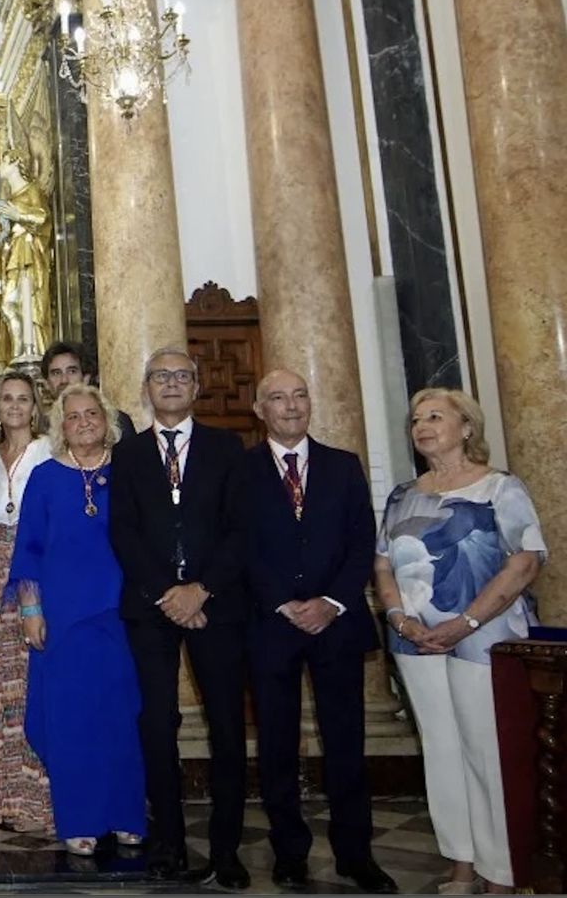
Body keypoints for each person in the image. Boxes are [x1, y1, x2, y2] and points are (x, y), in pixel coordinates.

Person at [375, 388, 544, 895]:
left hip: (484, 639)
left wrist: (466, 621)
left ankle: (502, 871)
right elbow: (383, 564)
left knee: (486, 750)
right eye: (415, 420)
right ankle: (462, 863)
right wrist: (400, 618)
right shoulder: (404, 494)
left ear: (467, 427)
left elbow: (526, 561)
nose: (422, 427)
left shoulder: (500, 488)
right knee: (442, 751)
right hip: (414, 640)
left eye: (435, 417)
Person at [243, 369, 397, 893]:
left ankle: (356, 854)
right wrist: (284, 602)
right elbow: (238, 545)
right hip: (272, 626)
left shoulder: (343, 465)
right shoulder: (239, 471)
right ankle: (290, 853)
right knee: (278, 746)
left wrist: (332, 602)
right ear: (259, 409)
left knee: (346, 743)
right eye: (278, 398)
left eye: (299, 395)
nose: (291, 406)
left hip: (337, 624)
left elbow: (362, 543)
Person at [108, 346, 249, 888]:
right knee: (157, 724)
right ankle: (168, 841)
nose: (170, 383)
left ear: (196, 387)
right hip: (151, 609)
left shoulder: (227, 448)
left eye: (181, 376)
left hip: (216, 607)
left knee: (226, 727)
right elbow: (124, 531)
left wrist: (201, 590)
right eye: (160, 376)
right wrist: (169, 591)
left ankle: (227, 848)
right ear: (147, 389)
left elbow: (241, 528)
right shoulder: (129, 455)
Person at [10, 384, 144, 857]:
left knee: (121, 715)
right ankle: (80, 818)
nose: (84, 421)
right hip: (62, 618)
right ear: (59, 427)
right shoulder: (45, 477)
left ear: (107, 419)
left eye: (92, 414)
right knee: (70, 721)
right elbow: (28, 547)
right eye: (73, 416)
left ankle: (128, 814)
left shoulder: (130, 470)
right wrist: (30, 610)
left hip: (122, 612)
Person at [0, 371, 53, 833]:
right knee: (0, 690)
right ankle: (5, 798)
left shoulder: (49, 452)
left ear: (35, 406)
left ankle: (39, 799)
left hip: (35, 575)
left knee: (33, 689)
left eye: (23, 399)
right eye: (6, 399)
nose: (15, 407)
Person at [41, 339, 135, 438]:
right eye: (56, 373)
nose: (64, 380)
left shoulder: (116, 422)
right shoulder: (42, 427)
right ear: (47, 383)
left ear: (86, 378)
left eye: (72, 371)